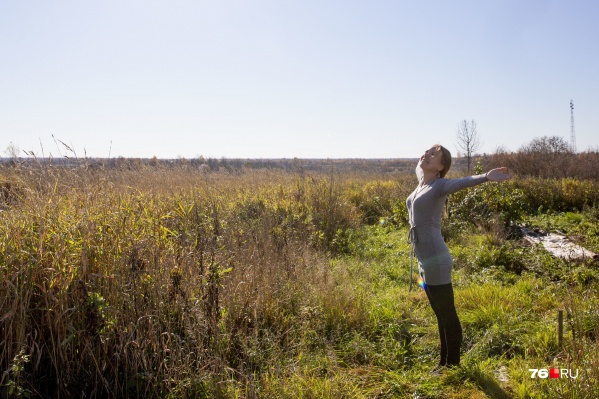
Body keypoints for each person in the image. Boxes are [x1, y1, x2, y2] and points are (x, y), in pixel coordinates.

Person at [406, 144, 511, 373]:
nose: (426, 155)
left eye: (433, 155)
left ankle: (451, 364)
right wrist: (426, 156)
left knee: (447, 314)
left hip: (437, 259)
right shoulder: (422, 181)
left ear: (441, 166)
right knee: (439, 313)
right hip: (424, 261)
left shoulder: (439, 185)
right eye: (426, 151)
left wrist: (486, 176)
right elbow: (420, 165)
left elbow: (462, 181)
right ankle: (444, 361)